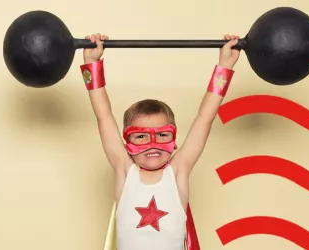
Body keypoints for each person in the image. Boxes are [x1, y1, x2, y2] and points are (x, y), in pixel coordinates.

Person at [80, 33, 240, 250]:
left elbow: (205, 118)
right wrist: (92, 64)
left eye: (162, 135)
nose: (152, 144)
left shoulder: (177, 172)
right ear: (127, 143)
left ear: (174, 140)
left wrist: (225, 66)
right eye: (141, 136)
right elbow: (104, 116)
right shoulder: (125, 171)